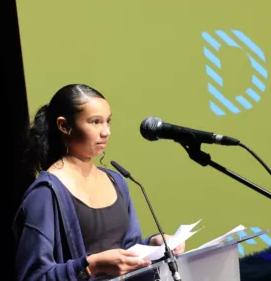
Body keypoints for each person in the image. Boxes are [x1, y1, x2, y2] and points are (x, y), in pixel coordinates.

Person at [13, 84, 184, 280]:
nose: (106, 132)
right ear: (64, 126)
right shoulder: (45, 194)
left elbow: (127, 250)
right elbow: (33, 276)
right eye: (95, 122)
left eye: (108, 121)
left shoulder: (116, 180)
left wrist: (154, 243)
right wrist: (90, 267)